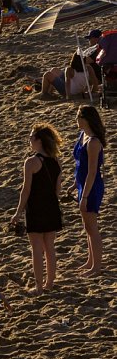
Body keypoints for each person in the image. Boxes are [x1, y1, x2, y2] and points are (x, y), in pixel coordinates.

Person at [10, 124, 63, 294]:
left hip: (36, 208)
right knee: (50, 247)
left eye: (31, 137)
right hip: (52, 207)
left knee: (37, 250)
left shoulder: (31, 162)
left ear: (39, 141)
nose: (29, 140)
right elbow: (57, 190)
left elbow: (26, 190)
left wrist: (18, 212)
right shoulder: (56, 161)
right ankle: (50, 283)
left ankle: (39, 287)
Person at [74, 105, 106, 277]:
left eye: (79, 116)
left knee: (92, 227)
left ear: (86, 119)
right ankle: (90, 261)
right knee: (87, 226)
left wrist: (85, 196)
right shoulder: (82, 135)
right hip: (82, 184)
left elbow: (92, 171)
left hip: (91, 187)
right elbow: (80, 165)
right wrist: (74, 185)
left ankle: (96, 267)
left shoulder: (93, 142)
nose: (76, 120)